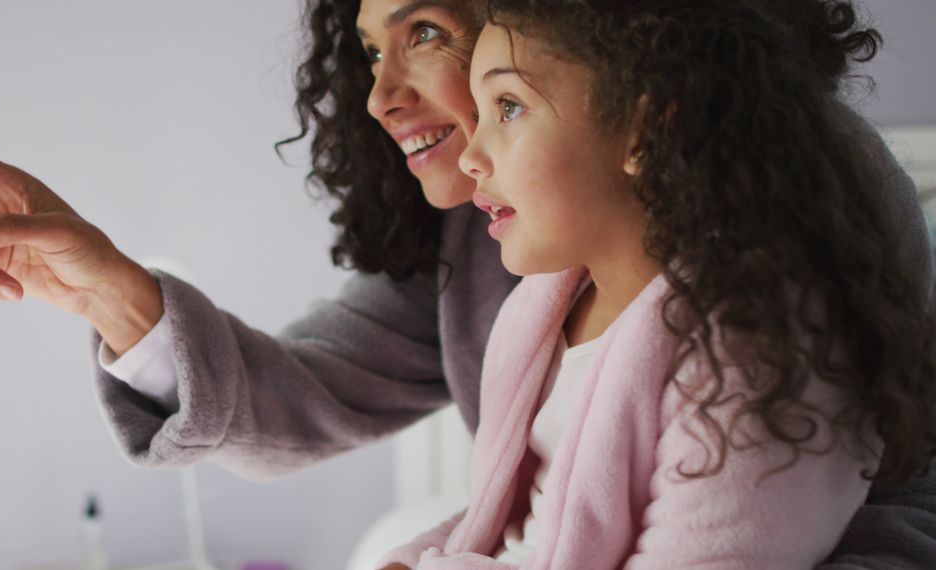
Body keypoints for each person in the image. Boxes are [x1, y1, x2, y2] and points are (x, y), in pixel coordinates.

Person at [0, 0, 936, 566]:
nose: (380, 96)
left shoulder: (792, 231)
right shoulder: (507, 264)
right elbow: (313, 397)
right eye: (371, 50)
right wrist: (109, 290)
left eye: (424, 32)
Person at [375, 0, 936, 567]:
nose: (471, 156)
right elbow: (515, 519)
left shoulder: (755, 350)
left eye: (508, 106)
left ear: (646, 130)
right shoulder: (544, 310)